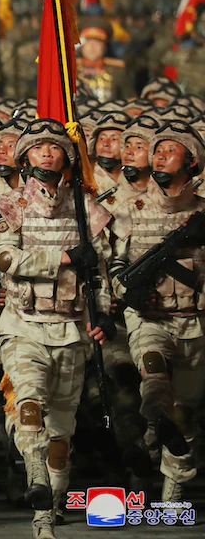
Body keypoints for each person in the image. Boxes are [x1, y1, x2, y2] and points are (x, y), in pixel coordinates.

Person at [0, 119, 113, 539]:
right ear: (24, 157)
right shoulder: (10, 204)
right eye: (38, 147)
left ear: (67, 157)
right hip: (24, 326)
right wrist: (63, 258)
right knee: (29, 404)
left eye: (55, 147)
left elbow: (101, 272)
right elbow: (7, 260)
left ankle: (53, 503)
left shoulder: (85, 207)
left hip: (71, 328)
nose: (46, 152)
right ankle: (36, 483)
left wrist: (103, 315)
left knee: (61, 430)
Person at [109, 121, 205, 504]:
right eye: (158, 151)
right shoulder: (128, 210)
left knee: (183, 414)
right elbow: (111, 266)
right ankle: (156, 428)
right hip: (149, 318)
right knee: (153, 371)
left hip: (195, 321)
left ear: (192, 161)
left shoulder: (202, 212)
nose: (161, 157)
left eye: (171, 151)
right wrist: (126, 291)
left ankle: (170, 490)